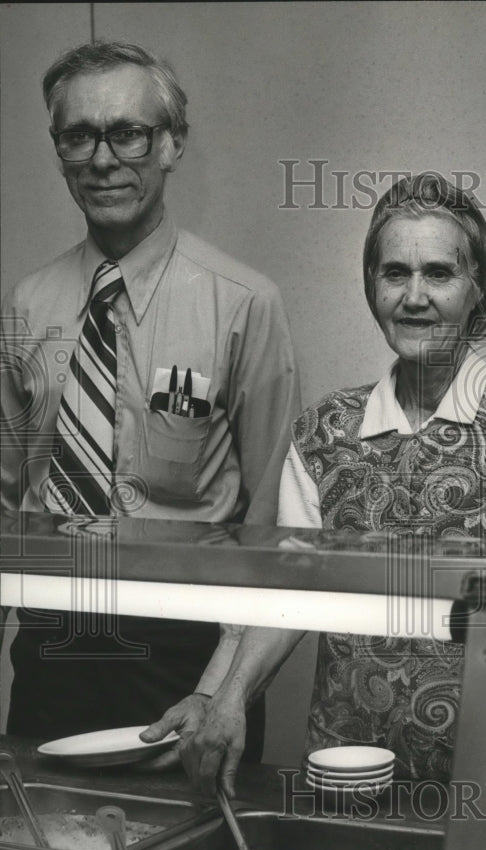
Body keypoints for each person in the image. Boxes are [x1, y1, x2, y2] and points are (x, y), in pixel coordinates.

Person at [144, 173, 486, 794]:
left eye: (439, 274)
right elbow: (283, 590)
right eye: (395, 274)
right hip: (351, 774)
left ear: (479, 291)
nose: (414, 296)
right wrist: (221, 696)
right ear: (372, 289)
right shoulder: (324, 434)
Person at [0, 40, 299, 758]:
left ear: (172, 144)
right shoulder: (25, 305)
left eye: (128, 132)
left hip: (184, 655)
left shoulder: (243, 303)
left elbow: (271, 527)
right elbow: (11, 505)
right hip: (51, 647)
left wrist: (224, 688)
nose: (103, 160)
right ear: (59, 148)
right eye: (78, 136)